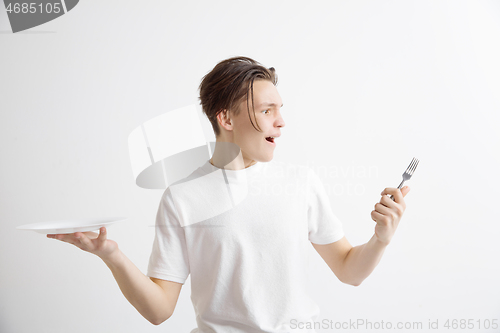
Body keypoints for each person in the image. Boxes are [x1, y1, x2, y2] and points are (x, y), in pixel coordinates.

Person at [47, 56, 411, 332]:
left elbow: (350, 271)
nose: (281, 121)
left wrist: (380, 239)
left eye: (280, 110)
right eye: (267, 111)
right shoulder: (182, 198)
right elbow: (159, 310)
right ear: (226, 119)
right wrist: (111, 255)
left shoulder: (301, 182)